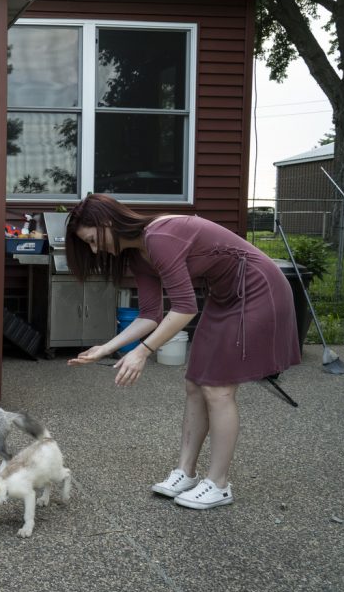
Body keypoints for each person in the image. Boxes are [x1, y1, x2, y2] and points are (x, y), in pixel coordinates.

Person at [64, 194, 301, 510]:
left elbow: (185, 308)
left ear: (108, 223)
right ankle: (186, 473)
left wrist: (142, 352)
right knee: (194, 383)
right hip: (223, 296)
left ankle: (219, 484)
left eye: (94, 240)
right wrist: (107, 348)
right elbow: (150, 314)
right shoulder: (136, 254)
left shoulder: (160, 237)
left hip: (257, 289)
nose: (96, 250)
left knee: (218, 389)